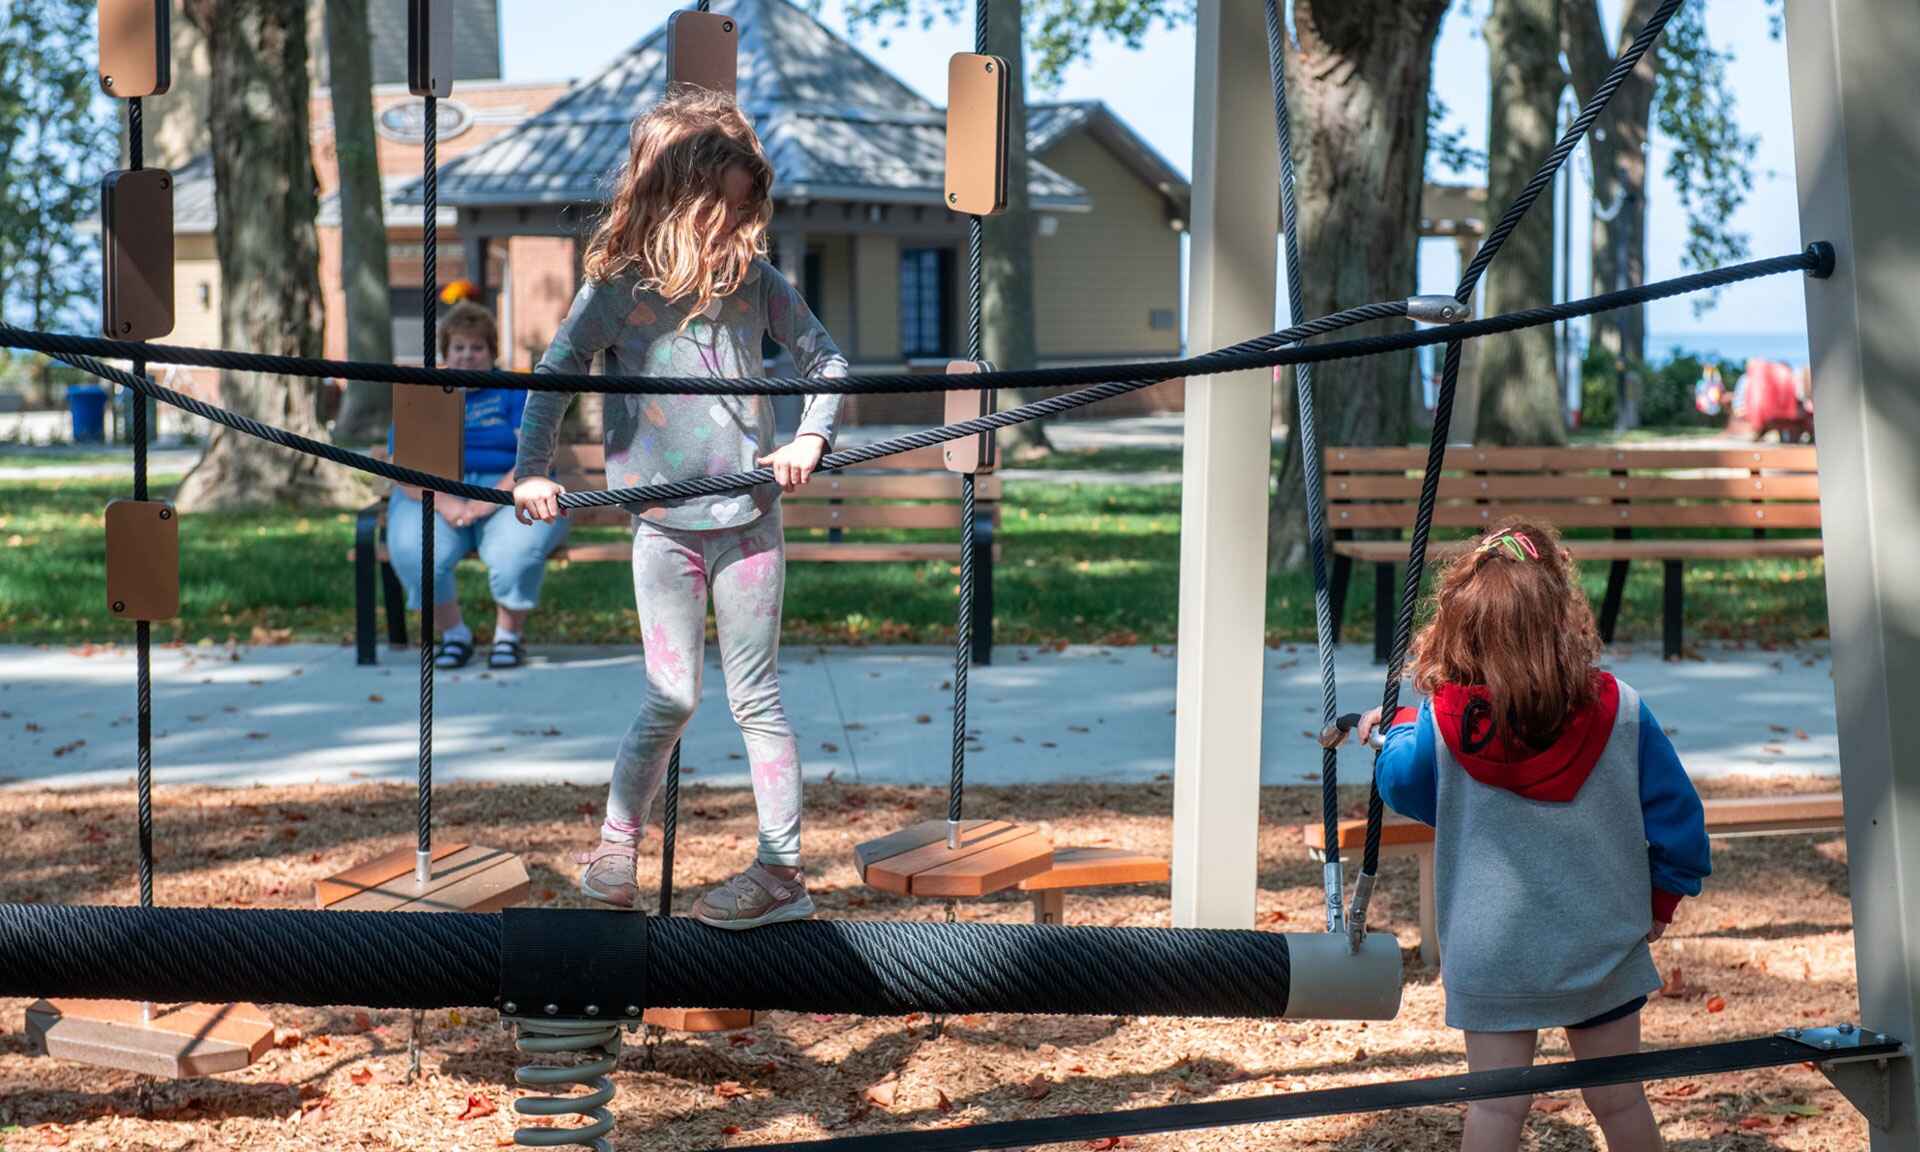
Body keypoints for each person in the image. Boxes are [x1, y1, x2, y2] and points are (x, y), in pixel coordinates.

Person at [512, 89, 846, 930]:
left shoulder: (756, 284)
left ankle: (781, 871)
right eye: (721, 211)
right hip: (664, 529)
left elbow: (826, 361)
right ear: (674, 201)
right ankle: (617, 847)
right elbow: (554, 374)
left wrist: (809, 439)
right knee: (670, 696)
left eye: (744, 212)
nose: (733, 229)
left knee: (757, 700)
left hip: (748, 522)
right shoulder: (618, 292)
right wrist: (530, 472)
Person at [1354, 521, 1710, 1152]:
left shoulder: (1441, 722)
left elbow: (1403, 783)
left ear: (1462, 628)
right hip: (1600, 940)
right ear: (1561, 619)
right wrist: (1659, 905)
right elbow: (1679, 822)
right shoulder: (1621, 708)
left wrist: (1401, 729)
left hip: (1495, 953)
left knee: (1495, 1112)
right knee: (1621, 1099)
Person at [387, 295, 569, 670]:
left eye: (477, 348)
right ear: (446, 352)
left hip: (508, 489)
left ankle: (508, 637)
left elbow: (536, 455)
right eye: (459, 348)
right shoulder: (423, 393)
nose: (467, 356)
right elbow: (403, 468)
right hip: (434, 491)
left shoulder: (515, 391)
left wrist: (482, 503)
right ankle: (454, 635)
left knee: (515, 551)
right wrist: (449, 503)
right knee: (413, 549)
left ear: (491, 352)